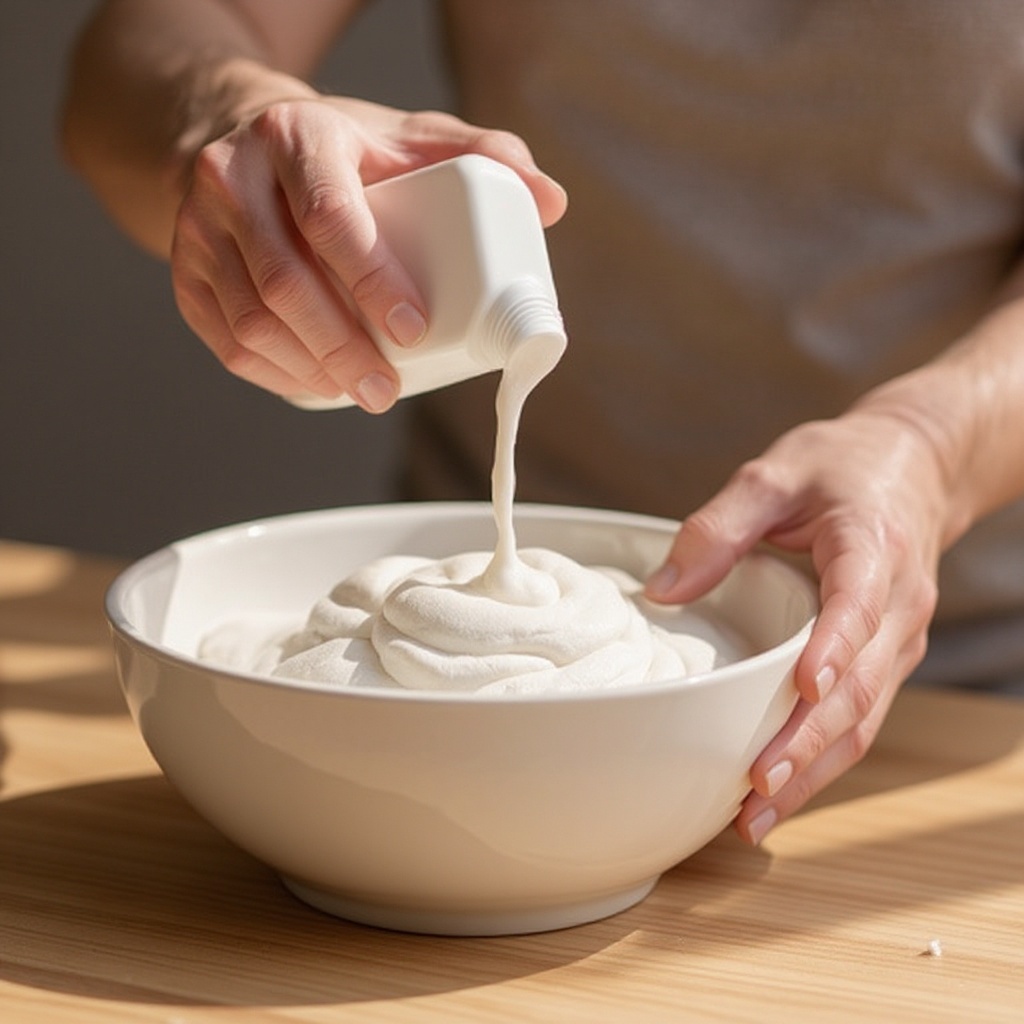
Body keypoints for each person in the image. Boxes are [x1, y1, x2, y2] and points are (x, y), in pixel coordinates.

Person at [62, 0, 1024, 846]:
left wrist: (934, 446)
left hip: (948, 693)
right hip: (401, 700)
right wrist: (229, 120)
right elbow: (141, 43)